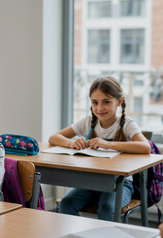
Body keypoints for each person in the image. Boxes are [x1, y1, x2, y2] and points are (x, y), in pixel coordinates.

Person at [49, 76, 150, 221]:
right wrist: (71, 143)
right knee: (66, 204)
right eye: (95, 102)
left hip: (120, 184)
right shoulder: (88, 122)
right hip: (91, 182)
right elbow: (54, 137)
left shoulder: (127, 124)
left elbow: (145, 147)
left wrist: (108, 144)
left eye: (106, 102)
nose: (99, 108)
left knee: (107, 208)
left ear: (119, 101)